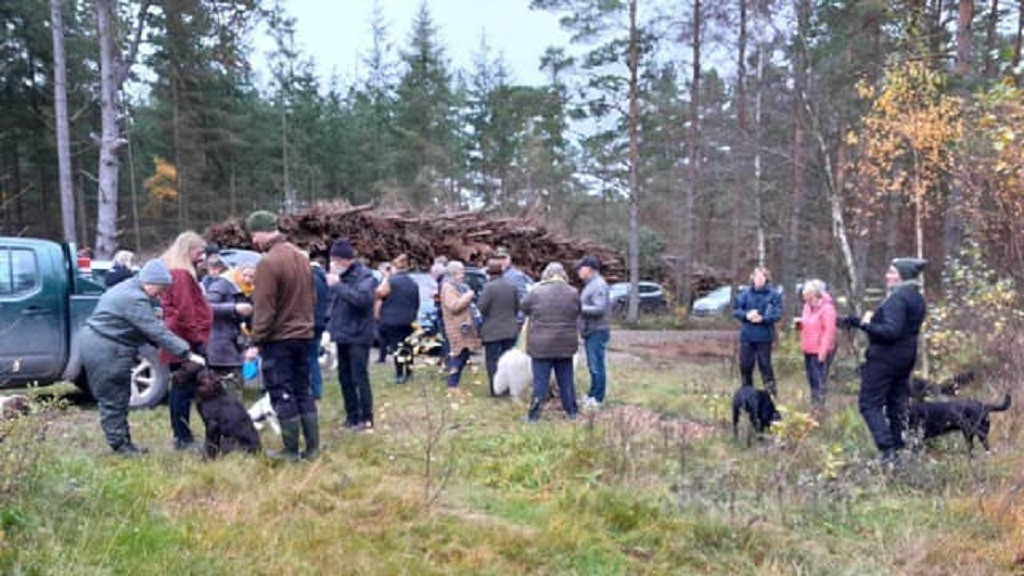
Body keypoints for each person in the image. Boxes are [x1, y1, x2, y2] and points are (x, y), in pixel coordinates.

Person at [79, 259, 201, 456]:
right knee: (113, 397)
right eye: (161, 289)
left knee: (119, 394)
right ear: (151, 282)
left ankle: (123, 442)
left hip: (104, 344)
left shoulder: (129, 288)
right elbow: (155, 331)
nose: (161, 294)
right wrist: (186, 353)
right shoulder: (133, 297)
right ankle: (120, 446)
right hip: (107, 348)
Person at [245, 210, 318, 460]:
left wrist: (256, 340)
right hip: (304, 335)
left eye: (254, 234)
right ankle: (312, 449)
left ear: (264, 231)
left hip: (280, 340)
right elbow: (311, 297)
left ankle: (290, 451)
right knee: (303, 391)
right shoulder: (301, 257)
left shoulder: (267, 262)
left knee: (282, 392)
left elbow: (264, 307)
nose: (254, 241)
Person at [844, 258, 927, 464]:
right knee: (895, 403)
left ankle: (887, 451)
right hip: (905, 358)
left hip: (884, 359)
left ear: (903, 275)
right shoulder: (917, 297)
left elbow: (891, 331)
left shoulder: (898, 298)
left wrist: (863, 324)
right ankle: (899, 449)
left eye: (891, 272)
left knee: (868, 404)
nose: (887, 275)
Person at [159, 231, 213, 451]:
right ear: (188, 250)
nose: (201, 257)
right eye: (198, 252)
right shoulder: (181, 274)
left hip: (178, 335)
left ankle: (182, 434)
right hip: (185, 338)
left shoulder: (172, 271)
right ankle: (182, 437)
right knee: (183, 389)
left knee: (181, 386)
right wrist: (196, 341)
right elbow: (185, 311)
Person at [325, 239, 377, 432]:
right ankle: (351, 416)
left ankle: (366, 417)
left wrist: (338, 286)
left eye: (336, 260)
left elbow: (363, 300)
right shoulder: (337, 277)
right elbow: (334, 305)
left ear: (347, 260)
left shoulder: (365, 276)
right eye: (331, 260)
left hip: (359, 334)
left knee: (359, 376)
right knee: (344, 377)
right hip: (341, 334)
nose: (333, 264)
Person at [522, 262, 580, 421]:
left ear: (545, 275)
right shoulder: (573, 292)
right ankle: (572, 413)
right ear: (563, 275)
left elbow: (524, 308)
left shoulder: (536, 292)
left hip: (541, 345)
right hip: (565, 344)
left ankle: (534, 416)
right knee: (566, 382)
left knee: (540, 383)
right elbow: (577, 311)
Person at [204, 254, 254, 393]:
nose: (248, 279)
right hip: (218, 339)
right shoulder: (221, 285)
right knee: (222, 379)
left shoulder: (249, 291)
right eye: (245, 275)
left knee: (235, 378)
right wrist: (234, 308)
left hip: (235, 339)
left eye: (252, 277)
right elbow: (207, 307)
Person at [732, 267, 783, 396]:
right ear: (752, 278)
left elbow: (777, 314)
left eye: (762, 277)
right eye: (757, 277)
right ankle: (747, 394)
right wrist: (746, 315)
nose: (759, 280)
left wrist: (763, 319)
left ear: (766, 279)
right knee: (745, 366)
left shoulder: (773, 295)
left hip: (764, 336)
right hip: (747, 336)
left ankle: (771, 394)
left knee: (765, 366)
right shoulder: (744, 294)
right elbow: (736, 310)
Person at [376, 254, 420, 384]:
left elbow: (379, 293)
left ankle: (400, 373)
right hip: (409, 319)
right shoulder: (413, 282)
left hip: (392, 319)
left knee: (397, 347)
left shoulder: (391, 281)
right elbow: (416, 302)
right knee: (408, 346)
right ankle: (409, 371)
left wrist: (386, 277)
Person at [478, 258, 519, 395]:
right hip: (510, 329)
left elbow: (481, 308)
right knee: (509, 361)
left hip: (492, 330)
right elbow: (517, 306)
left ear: (489, 273)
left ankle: (495, 389)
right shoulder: (512, 286)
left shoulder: (488, 287)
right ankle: (508, 388)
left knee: (492, 361)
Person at [440, 261, 482, 390]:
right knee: (458, 354)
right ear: (453, 274)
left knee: (464, 353)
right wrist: (468, 296)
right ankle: (452, 385)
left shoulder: (459, 287)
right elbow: (454, 306)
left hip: (464, 326)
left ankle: (453, 383)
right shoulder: (448, 288)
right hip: (456, 326)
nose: (463, 275)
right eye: (460, 272)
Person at [576, 255, 611, 409]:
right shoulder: (590, 284)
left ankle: (598, 398)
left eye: (580, 268)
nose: (578, 271)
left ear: (589, 269)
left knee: (597, 365)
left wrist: (578, 308)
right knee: (592, 364)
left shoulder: (598, 285)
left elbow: (600, 308)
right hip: (590, 330)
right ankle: (592, 394)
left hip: (597, 330)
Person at [798, 279, 835, 410]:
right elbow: (806, 325)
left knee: (818, 380)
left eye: (806, 292)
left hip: (820, 350)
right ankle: (814, 406)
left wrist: (822, 352)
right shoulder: (807, 307)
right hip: (808, 349)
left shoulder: (827, 308)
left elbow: (828, 332)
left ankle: (819, 408)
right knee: (811, 379)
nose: (803, 294)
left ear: (814, 293)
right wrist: (799, 325)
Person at [308, 255, 330, 400]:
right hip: (321, 321)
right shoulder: (324, 279)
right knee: (313, 356)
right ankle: (317, 388)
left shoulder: (311, 279)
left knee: (309, 357)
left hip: (309, 321)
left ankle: (314, 390)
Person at [496, 247, 530, 326]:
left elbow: (523, 299)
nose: (501, 261)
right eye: (498, 259)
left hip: (512, 322)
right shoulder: (490, 275)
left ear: (509, 259)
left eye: (504, 258)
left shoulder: (516, 276)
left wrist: (519, 320)